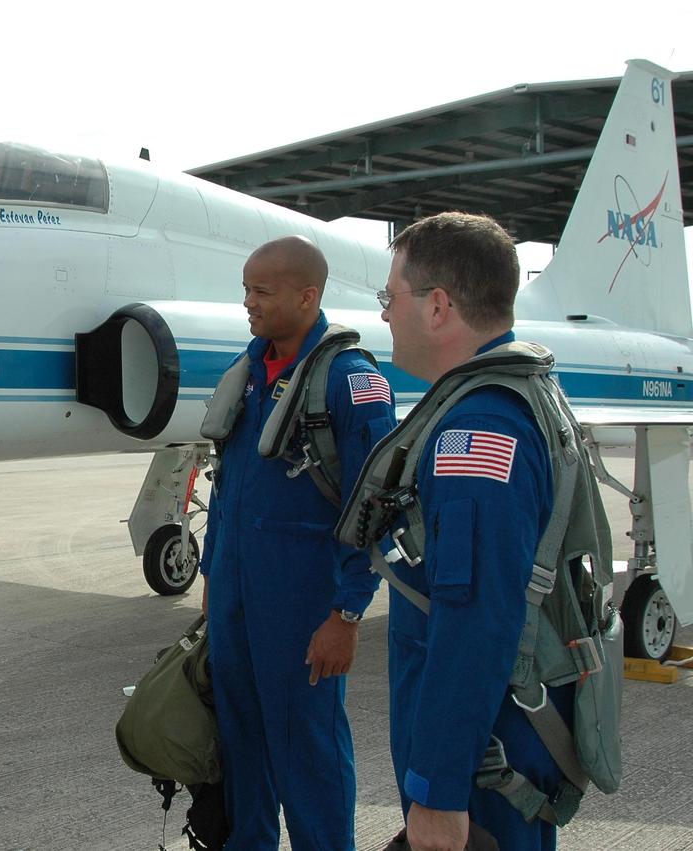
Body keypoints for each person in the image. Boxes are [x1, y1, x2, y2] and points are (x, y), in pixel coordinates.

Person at [198, 236, 396, 850]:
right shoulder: (250, 372)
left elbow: (376, 507)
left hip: (304, 607)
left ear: (308, 296)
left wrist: (347, 613)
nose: (248, 303)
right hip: (234, 602)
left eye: (262, 291)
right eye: (246, 289)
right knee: (241, 748)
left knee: (307, 752)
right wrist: (212, 581)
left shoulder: (352, 383)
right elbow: (229, 489)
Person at [376, 212, 564, 851]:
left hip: (486, 766)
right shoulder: (512, 395)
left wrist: (438, 789)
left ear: (436, 307)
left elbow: (476, 616)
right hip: (499, 745)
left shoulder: (476, 431)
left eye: (388, 297)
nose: (383, 316)